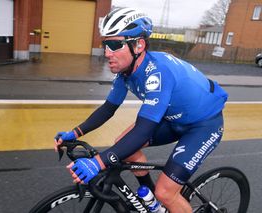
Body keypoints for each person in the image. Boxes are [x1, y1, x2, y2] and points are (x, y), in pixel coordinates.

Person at [54, 7, 228, 213]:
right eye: (105, 44)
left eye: (114, 44)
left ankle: (160, 198)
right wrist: (74, 133)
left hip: (203, 125)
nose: (107, 53)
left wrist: (98, 163)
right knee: (123, 145)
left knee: (167, 193)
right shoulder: (125, 73)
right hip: (173, 120)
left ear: (139, 45)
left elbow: (144, 130)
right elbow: (109, 108)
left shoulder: (157, 73)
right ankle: (152, 202)